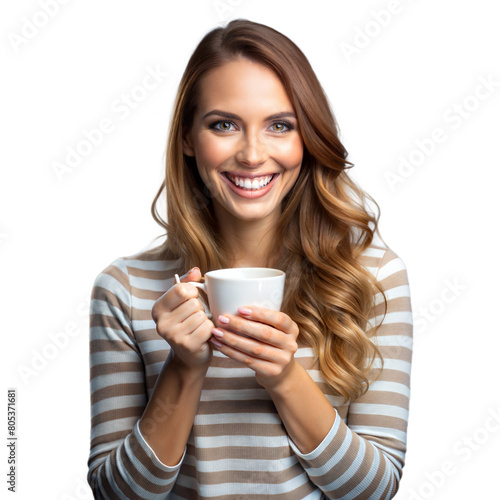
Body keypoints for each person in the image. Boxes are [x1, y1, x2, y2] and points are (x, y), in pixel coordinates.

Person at [87, 19, 413, 500]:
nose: (253, 154)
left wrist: (284, 377)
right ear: (187, 139)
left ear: (308, 139)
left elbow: (374, 489)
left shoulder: (371, 277)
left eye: (280, 126)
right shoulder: (125, 288)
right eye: (224, 125)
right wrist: (182, 369)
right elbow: (118, 495)